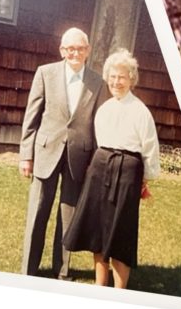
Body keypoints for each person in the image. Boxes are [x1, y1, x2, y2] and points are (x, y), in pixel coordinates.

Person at [64, 49, 160, 288]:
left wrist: (145, 179)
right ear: (108, 78)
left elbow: (149, 148)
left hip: (127, 171)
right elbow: (99, 140)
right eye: (113, 77)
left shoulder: (140, 111)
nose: (117, 82)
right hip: (100, 167)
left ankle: (119, 291)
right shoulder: (105, 109)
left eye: (122, 77)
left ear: (131, 79)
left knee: (120, 231)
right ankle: (100, 284)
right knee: (97, 226)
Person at [19, 28, 109, 279]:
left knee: (68, 217)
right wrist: (26, 155)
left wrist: (96, 163)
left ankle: (62, 270)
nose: (75, 53)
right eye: (70, 49)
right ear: (62, 51)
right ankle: (28, 269)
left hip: (78, 158)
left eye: (80, 48)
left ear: (88, 51)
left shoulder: (97, 82)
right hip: (46, 152)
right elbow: (32, 117)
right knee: (38, 212)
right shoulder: (45, 74)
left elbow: (98, 124)